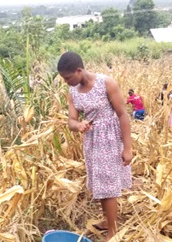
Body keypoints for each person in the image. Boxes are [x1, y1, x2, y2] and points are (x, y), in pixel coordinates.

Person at [57, 51, 132, 241]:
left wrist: (127, 147)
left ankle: (112, 231)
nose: (66, 82)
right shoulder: (73, 92)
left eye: (67, 77)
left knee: (108, 186)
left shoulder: (106, 83)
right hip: (92, 140)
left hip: (110, 138)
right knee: (99, 184)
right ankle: (108, 220)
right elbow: (71, 121)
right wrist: (79, 125)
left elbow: (123, 114)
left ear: (79, 70)